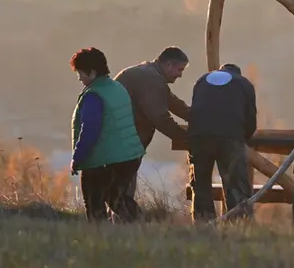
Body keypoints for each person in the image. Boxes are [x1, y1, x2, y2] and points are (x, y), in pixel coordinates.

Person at [69, 47, 147, 222]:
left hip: (103, 160)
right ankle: (143, 227)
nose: (79, 78)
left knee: (94, 202)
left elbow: (89, 131)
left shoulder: (94, 95)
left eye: (81, 73)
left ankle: (98, 234)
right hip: (128, 156)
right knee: (118, 199)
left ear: (92, 72)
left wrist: (78, 158)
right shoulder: (116, 87)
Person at [113, 47, 191, 201]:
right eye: (179, 69)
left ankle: (114, 215)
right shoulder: (151, 79)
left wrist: (197, 117)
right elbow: (159, 118)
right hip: (124, 142)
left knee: (120, 185)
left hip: (121, 138)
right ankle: (123, 215)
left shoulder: (150, 75)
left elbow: (172, 102)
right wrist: (186, 137)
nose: (180, 75)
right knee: (123, 187)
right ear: (169, 65)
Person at [186, 62, 257, 222]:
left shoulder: (202, 80)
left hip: (199, 136)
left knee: (201, 182)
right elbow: (251, 120)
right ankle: (238, 222)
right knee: (236, 183)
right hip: (230, 136)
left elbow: (195, 109)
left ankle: (204, 223)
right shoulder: (244, 84)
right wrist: (242, 138)